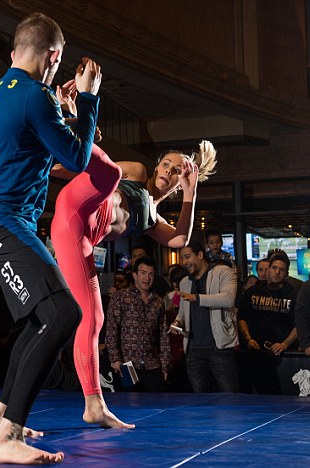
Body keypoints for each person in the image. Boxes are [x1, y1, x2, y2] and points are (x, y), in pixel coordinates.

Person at [0, 12, 102, 464]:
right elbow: (79, 160)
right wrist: (87, 100)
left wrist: (58, 111)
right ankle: (6, 437)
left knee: (38, 320)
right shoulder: (34, 96)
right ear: (54, 56)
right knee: (65, 314)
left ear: (13, 52)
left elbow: (24, 148)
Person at [51, 119, 216, 422]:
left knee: (92, 318)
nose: (168, 171)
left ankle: (92, 404)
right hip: (79, 210)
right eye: (166, 164)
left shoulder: (152, 219)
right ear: (156, 166)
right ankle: (71, 121)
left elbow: (180, 239)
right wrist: (58, 163)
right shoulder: (138, 173)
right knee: (109, 171)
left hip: (79, 239)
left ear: (181, 182)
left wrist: (192, 193)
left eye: (176, 170)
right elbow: (81, 171)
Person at [171, 241, 239, 393]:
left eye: (187, 257)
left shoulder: (223, 272)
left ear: (200, 255)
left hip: (219, 347)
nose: (184, 262)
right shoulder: (184, 282)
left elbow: (228, 299)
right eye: (182, 258)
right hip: (193, 349)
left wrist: (197, 298)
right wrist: (177, 323)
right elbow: (182, 313)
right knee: (199, 400)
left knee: (230, 396)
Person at [105, 257, 171, 392]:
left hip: (152, 365)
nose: (147, 278)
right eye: (143, 273)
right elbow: (112, 329)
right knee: (129, 407)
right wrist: (115, 358)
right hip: (127, 364)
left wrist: (165, 365)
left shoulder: (158, 301)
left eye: (150, 274)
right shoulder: (120, 297)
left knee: (155, 406)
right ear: (135, 275)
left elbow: (163, 335)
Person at [237, 253, 298, 394]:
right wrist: (248, 339)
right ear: (268, 269)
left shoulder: (293, 294)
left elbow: (300, 324)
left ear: (287, 274)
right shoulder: (252, 292)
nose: (277, 272)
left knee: (280, 396)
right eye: (274, 268)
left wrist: (285, 344)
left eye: (281, 269)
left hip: (282, 355)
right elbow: (242, 318)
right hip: (254, 352)